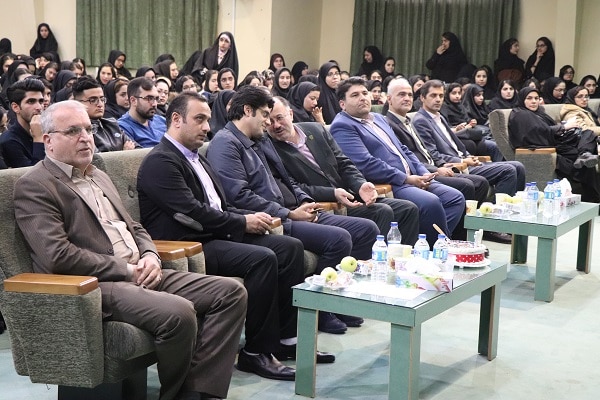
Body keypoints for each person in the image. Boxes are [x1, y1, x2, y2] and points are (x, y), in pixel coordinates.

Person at [14, 100, 247, 400]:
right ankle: (178, 395)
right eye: (73, 131)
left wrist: (150, 255)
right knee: (179, 313)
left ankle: (199, 391)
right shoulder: (36, 185)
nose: (85, 137)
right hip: (97, 283)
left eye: (88, 129)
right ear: (48, 140)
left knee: (231, 293)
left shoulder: (97, 173)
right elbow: (57, 256)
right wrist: (126, 270)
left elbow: (133, 226)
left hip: (141, 269)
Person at [138, 92, 334, 381]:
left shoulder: (196, 157)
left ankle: (286, 339)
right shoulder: (161, 161)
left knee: (290, 248)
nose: (207, 127)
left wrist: (252, 217)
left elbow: (220, 205)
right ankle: (256, 352)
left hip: (217, 232)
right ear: (176, 119)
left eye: (208, 119)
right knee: (262, 259)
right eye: (199, 119)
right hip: (191, 244)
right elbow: (193, 213)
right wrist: (242, 222)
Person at [207, 86, 378, 334]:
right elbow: (239, 196)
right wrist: (288, 214)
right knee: (338, 239)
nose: (268, 122)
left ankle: (337, 301)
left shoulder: (259, 140)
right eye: (265, 115)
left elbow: (287, 181)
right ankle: (320, 311)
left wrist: (305, 201)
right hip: (274, 220)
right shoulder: (225, 144)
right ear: (247, 110)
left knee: (366, 229)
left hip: (292, 210)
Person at [330, 77, 465, 246]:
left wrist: (423, 173)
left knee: (455, 198)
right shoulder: (343, 126)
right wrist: (406, 178)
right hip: (390, 183)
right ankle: (438, 246)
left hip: (413, 176)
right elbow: (366, 164)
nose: (363, 98)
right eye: (355, 95)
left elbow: (403, 149)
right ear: (342, 104)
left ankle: (432, 244)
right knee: (431, 203)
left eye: (364, 93)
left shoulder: (378, 118)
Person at [267, 95, 420, 241]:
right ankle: (376, 258)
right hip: (323, 204)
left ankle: (401, 256)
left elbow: (343, 163)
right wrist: (333, 193)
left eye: (279, 118)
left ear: (291, 114)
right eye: (270, 121)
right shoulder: (269, 148)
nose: (276, 125)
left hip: (348, 195)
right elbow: (293, 187)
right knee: (382, 211)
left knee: (408, 209)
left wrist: (360, 184)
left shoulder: (315, 129)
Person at [384, 78, 491, 240]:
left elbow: (423, 152)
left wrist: (457, 160)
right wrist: (435, 169)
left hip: (430, 168)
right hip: (416, 174)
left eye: (409, 95)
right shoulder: (389, 124)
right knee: (467, 186)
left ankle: (451, 238)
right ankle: (450, 239)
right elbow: (406, 159)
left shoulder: (408, 121)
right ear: (389, 99)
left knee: (474, 183)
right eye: (401, 95)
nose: (407, 98)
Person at [412, 80, 526, 198]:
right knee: (508, 170)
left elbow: (455, 145)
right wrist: (463, 161)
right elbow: (433, 155)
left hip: (465, 161)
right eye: (433, 95)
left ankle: (514, 204)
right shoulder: (421, 121)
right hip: (455, 166)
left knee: (518, 166)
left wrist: (468, 156)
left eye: (441, 96)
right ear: (422, 97)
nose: (438, 99)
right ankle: (499, 207)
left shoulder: (439, 117)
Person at [509, 86, 600, 202]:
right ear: (522, 99)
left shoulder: (539, 113)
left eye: (536, 98)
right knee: (586, 166)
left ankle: (585, 154)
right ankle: (594, 199)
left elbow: (548, 128)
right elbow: (536, 133)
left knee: (588, 134)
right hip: (545, 149)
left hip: (558, 143)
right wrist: (563, 127)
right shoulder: (520, 114)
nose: (534, 101)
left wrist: (564, 129)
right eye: (529, 98)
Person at [72, 76, 137, 152]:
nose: (100, 104)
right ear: (78, 103)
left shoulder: (112, 124)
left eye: (102, 99)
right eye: (93, 100)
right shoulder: (77, 131)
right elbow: (96, 158)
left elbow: (138, 149)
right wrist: (125, 154)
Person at [0, 79, 45, 167]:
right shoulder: (9, 141)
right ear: (16, 107)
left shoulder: (50, 132)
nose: (39, 107)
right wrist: (38, 139)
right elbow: (35, 173)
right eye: (31, 102)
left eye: (41, 101)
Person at [118, 77, 167, 147]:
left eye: (156, 98)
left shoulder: (161, 121)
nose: (154, 104)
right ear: (133, 100)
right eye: (149, 98)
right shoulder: (122, 127)